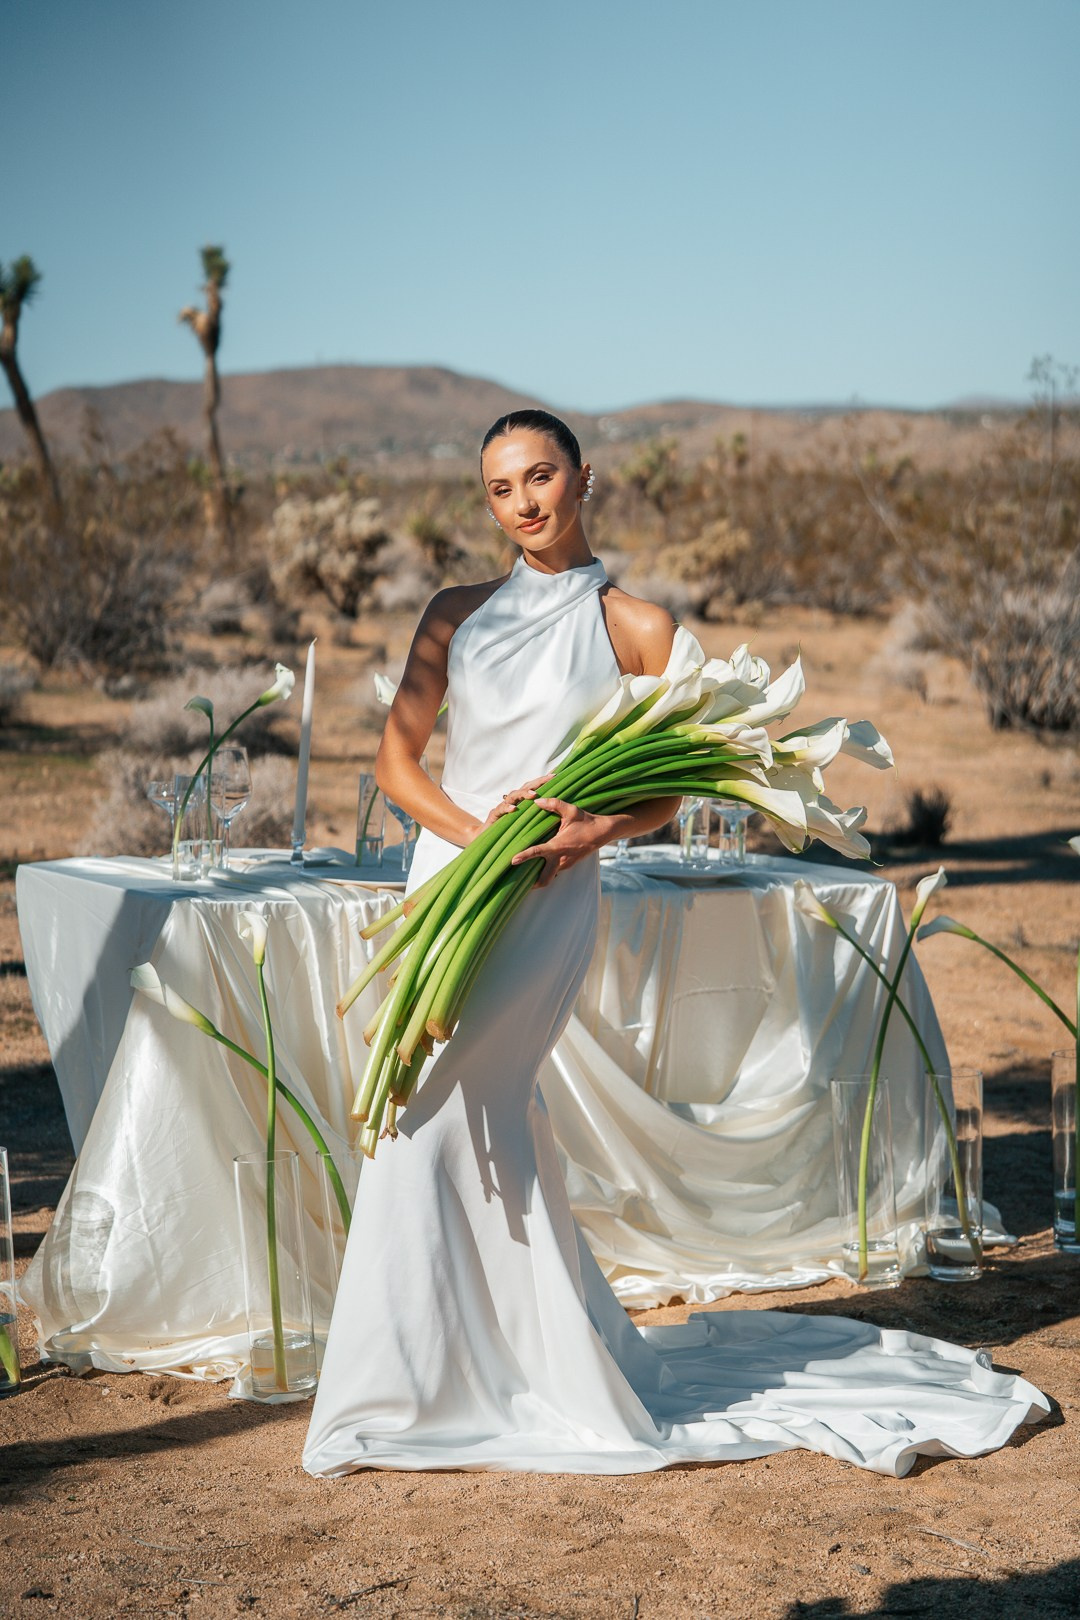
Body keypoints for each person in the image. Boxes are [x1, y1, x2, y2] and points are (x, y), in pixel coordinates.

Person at [303, 409, 1047, 1478]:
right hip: (456, 879)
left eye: (542, 475)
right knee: (448, 1117)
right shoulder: (452, 613)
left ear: (584, 477)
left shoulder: (640, 628)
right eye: (501, 487)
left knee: (451, 1107)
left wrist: (588, 829)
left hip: (551, 895)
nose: (524, 502)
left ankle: (444, 1376)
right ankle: (482, 1360)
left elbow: (683, 780)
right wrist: (486, 840)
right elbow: (396, 763)